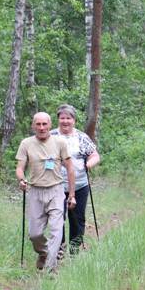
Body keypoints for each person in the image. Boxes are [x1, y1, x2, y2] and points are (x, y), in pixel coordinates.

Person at [16, 112, 76, 271]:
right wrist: (21, 180)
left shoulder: (60, 142)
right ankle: (43, 253)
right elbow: (20, 168)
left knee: (57, 232)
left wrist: (71, 195)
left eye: (44, 124)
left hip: (56, 191)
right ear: (33, 125)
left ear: (50, 125)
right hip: (35, 191)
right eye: (38, 124)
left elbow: (70, 168)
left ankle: (51, 269)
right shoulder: (26, 143)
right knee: (34, 234)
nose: (41, 127)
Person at [51, 104, 100, 255]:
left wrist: (89, 164)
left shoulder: (81, 137)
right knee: (57, 218)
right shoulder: (51, 136)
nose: (65, 121)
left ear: (74, 120)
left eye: (68, 118)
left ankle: (74, 249)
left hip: (79, 185)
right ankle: (59, 247)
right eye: (62, 118)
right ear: (58, 119)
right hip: (55, 184)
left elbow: (94, 155)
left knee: (77, 218)